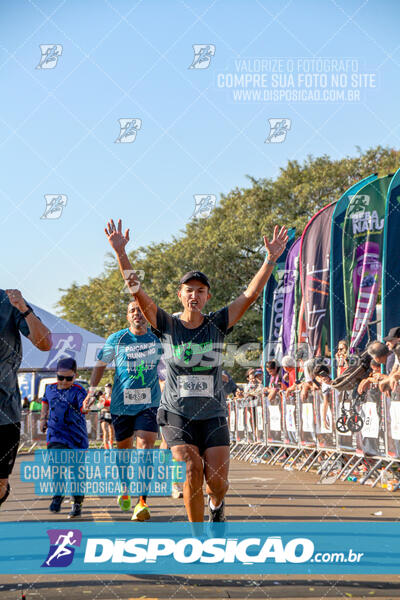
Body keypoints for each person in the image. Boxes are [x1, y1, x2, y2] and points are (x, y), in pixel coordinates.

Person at [104, 218, 288, 523]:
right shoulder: (167, 324)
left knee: (217, 482)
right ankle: (198, 537)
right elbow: (138, 293)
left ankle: (217, 505)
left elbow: (250, 295)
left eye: (200, 291)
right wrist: (121, 253)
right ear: (180, 295)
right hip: (176, 412)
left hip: (212, 413)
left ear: (207, 297)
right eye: (189, 290)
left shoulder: (217, 323)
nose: (194, 295)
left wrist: (270, 259)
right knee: (191, 467)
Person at [83, 299, 164, 522]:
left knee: (146, 447)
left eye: (140, 310)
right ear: (127, 316)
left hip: (149, 403)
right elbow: (100, 364)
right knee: (124, 451)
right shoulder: (117, 339)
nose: (137, 313)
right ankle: (124, 486)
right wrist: (92, 391)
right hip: (121, 405)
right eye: (132, 311)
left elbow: (171, 365)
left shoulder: (157, 338)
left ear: (147, 314)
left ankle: (142, 502)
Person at [0, 288, 51, 508]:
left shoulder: (8, 302)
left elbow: (45, 343)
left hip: (5, 412)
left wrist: (24, 309)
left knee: (0, 482)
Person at [40, 357, 88, 518]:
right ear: (56, 375)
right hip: (55, 434)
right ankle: (58, 495)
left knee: (76, 472)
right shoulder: (49, 388)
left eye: (69, 378)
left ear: (75, 375)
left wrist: (87, 405)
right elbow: (45, 402)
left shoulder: (79, 391)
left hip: (76, 437)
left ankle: (77, 503)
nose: (64, 381)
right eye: (61, 377)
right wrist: (42, 418)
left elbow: (84, 408)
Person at [98, 383, 114, 449]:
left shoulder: (114, 396)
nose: (108, 389)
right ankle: (106, 448)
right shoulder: (102, 396)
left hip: (111, 414)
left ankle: (111, 445)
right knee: (105, 431)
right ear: (105, 388)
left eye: (109, 387)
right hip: (104, 413)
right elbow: (99, 406)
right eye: (107, 388)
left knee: (111, 431)